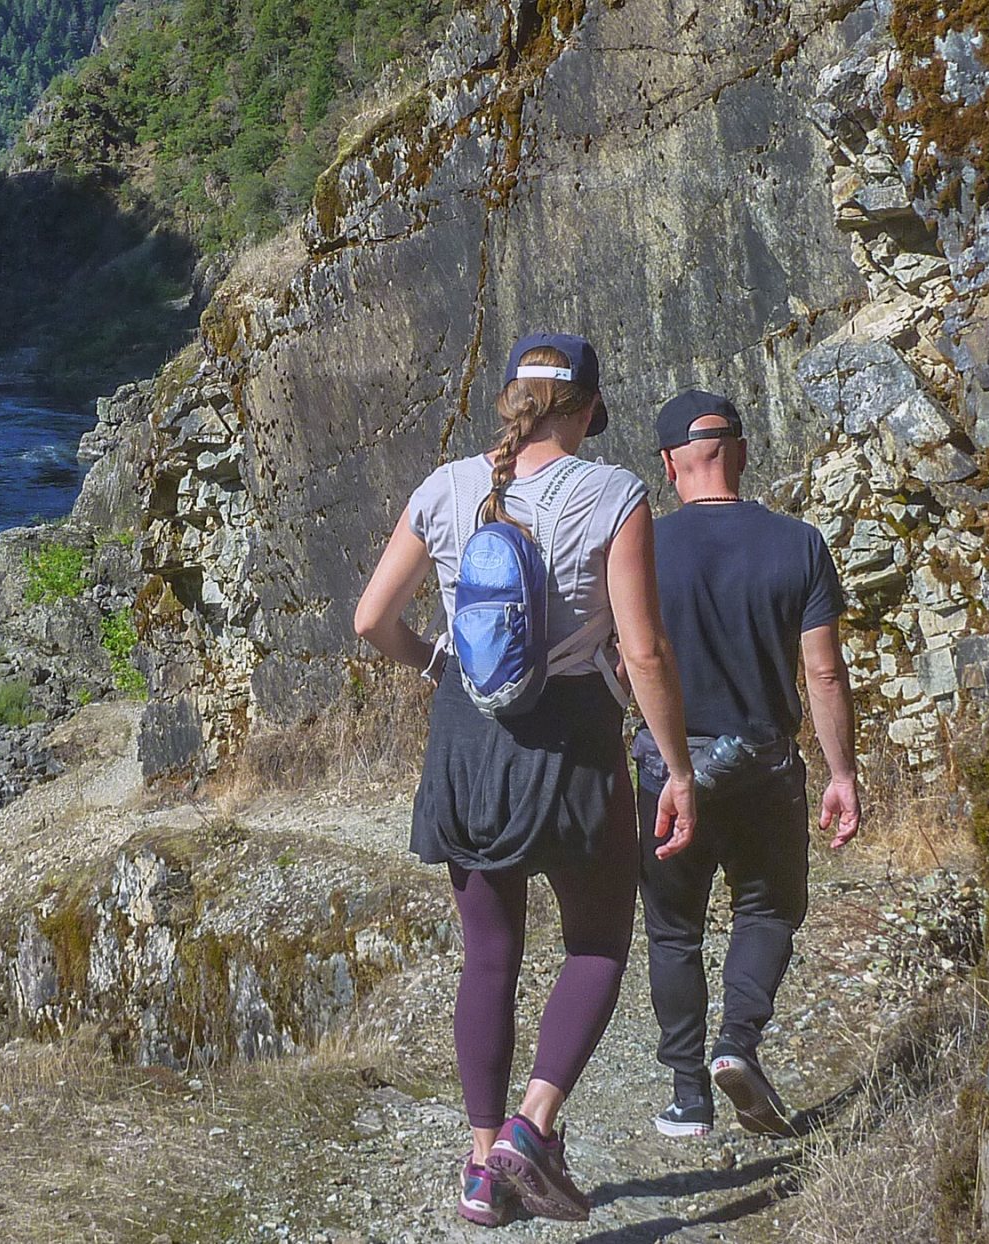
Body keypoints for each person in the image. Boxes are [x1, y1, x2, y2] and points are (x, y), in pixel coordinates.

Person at [354, 334, 698, 1226]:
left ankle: (479, 1169)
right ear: (583, 410)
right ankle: (530, 1128)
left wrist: (438, 666)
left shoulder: (444, 488)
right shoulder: (614, 493)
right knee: (596, 945)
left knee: (489, 956)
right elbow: (645, 649)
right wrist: (680, 769)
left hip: (467, 740)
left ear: (512, 400)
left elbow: (369, 620)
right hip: (575, 736)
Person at [631, 389, 861, 1142]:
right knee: (767, 909)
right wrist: (842, 774)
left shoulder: (640, 549)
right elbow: (823, 675)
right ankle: (739, 1042)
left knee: (673, 931)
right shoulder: (799, 543)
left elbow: (626, 654)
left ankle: (688, 1097)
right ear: (742, 450)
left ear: (669, 465)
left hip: (669, 774)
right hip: (765, 769)